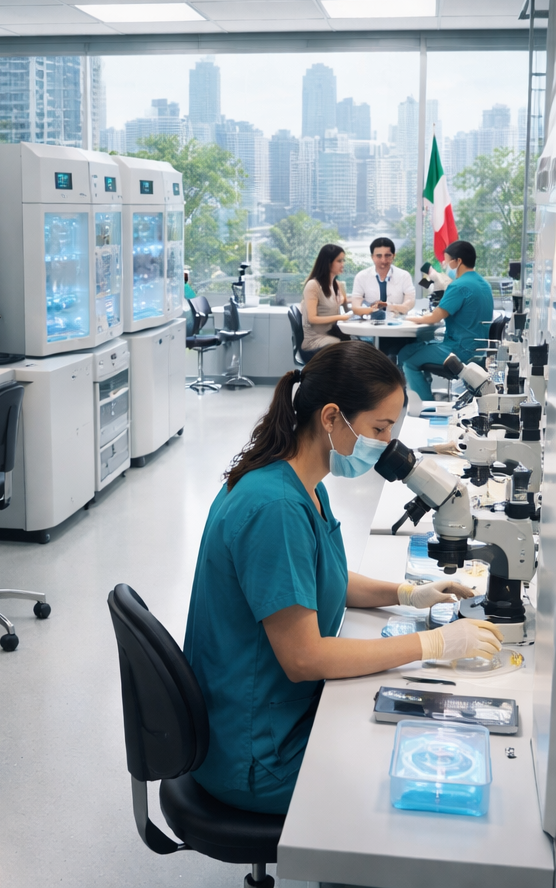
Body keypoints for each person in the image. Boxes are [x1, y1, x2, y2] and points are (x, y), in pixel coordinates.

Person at [183, 341, 503, 815]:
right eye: (379, 428)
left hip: (277, 712)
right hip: (256, 753)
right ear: (331, 417)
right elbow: (305, 658)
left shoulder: (300, 480)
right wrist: (433, 644)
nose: (387, 443)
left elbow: (322, 576)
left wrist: (409, 594)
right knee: (410, 784)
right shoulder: (276, 508)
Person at [398, 240, 495, 412]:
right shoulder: (484, 284)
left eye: (447, 261)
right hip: (478, 349)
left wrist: (407, 318)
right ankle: (424, 389)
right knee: (406, 350)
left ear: (458, 261)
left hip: (458, 350)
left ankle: (426, 407)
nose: (445, 265)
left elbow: (434, 317)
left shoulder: (458, 285)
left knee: (407, 360)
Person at [300, 244, 355, 352]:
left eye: (343, 260)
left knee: (362, 346)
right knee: (352, 350)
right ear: (328, 263)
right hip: (315, 340)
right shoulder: (313, 285)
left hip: (332, 334)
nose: (343, 264)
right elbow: (312, 318)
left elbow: (343, 303)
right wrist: (340, 317)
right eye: (339, 261)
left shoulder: (336, 285)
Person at [351, 237, 416, 321]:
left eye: (387, 255)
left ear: (393, 256)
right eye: (379, 256)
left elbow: (408, 305)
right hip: (370, 324)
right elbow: (356, 308)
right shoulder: (361, 276)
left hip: (398, 323)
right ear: (372, 257)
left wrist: (388, 306)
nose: (383, 260)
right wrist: (374, 309)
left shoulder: (404, 276)